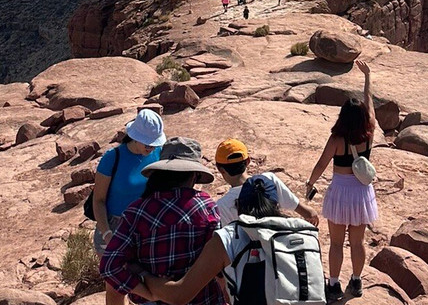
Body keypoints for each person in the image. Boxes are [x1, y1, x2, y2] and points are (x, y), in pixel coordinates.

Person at [100, 138, 221, 305]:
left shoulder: (137, 211)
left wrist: (149, 294)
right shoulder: (206, 207)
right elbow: (219, 265)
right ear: (194, 175)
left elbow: (110, 267)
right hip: (202, 300)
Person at [146, 177, 304, 305]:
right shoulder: (303, 234)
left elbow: (179, 295)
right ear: (276, 205)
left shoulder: (227, 239)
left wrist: (142, 277)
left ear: (238, 205)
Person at [306, 61, 377, 302]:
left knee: (336, 244)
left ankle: (334, 285)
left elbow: (321, 164)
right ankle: (356, 281)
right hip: (361, 193)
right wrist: (367, 78)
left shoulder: (337, 139)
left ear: (343, 117)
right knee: (357, 243)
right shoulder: (370, 133)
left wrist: (310, 183)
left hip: (340, 193)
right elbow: (370, 106)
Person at [92, 109, 166, 305]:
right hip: (115, 226)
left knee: (147, 280)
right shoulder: (112, 158)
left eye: (154, 142)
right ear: (134, 137)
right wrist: (107, 233)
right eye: (147, 142)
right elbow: (98, 200)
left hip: (146, 225)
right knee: (117, 286)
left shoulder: (158, 152)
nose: (151, 147)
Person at [212, 138, 319, 226]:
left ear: (220, 169)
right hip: (276, 245)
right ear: (248, 161)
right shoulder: (268, 180)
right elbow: (306, 212)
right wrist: (311, 214)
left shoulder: (222, 205)